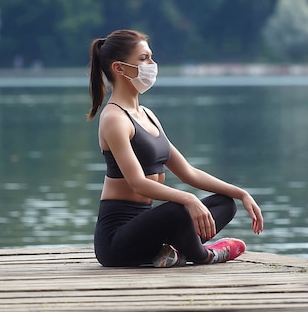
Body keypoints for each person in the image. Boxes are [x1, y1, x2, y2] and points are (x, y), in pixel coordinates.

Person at [87, 29, 263, 267]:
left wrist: (240, 193)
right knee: (178, 210)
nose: (152, 64)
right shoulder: (114, 119)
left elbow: (188, 172)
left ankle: (171, 253)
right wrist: (188, 199)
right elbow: (138, 183)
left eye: (151, 57)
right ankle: (205, 255)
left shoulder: (147, 115)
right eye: (143, 59)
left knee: (224, 203)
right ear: (119, 68)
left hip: (150, 231)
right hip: (117, 243)